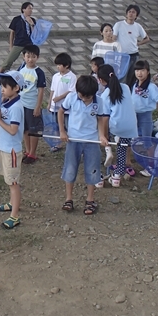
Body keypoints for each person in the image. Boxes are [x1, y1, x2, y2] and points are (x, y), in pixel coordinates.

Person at [58, 75, 105, 215]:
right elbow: (61, 112)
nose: (84, 99)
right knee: (70, 169)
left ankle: (90, 200)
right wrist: (62, 130)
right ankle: (69, 199)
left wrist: (102, 135)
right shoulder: (72, 97)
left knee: (92, 169)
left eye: (88, 97)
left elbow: (101, 118)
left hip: (91, 141)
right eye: (82, 96)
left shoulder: (99, 101)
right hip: (73, 140)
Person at [0, 71, 25, 229]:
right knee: (8, 179)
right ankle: (12, 203)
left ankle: (15, 216)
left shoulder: (17, 107)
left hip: (11, 150)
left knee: (13, 182)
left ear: (16, 88)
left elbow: (13, 130)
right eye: (1, 86)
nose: (2, 89)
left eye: (5, 86)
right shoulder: (7, 103)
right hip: (4, 148)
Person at [98, 64, 138, 187]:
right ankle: (117, 177)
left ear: (101, 80)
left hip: (116, 126)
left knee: (101, 132)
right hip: (131, 125)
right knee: (122, 149)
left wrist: (104, 136)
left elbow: (105, 118)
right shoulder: (125, 87)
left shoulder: (104, 95)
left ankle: (108, 150)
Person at [131, 59, 158, 140]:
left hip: (145, 116)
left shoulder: (151, 87)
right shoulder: (135, 85)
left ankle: (149, 152)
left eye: (142, 70)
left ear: (148, 72)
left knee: (146, 141)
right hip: (133, 115)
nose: (139, 73)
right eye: (137, 70)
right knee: (134, 140)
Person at [19, 45, 46, 164]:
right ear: (24, 57)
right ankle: (28, 150)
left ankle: (33, 153)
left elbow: (41, 90)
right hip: (21, 104)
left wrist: (38, 106)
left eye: (33, 57)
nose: (30, 59)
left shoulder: (39, 72)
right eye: (28, 56)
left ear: (37, 57)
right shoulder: (21, 68)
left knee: (33, 129)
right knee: (25, 129)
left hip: (32, 105)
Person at [112, 4, 150, 84]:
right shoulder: (119, 24)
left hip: (133, 55)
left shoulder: (138, 26)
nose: (131, 14)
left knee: (132, 77)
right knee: (121, 77)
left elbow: (146, 38)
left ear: (136, 15)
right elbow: (113, 38)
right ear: (126, 13)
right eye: (129, 12)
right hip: (122, 55)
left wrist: (138, 43)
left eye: (133, 12)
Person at [48, 53, 77, 153]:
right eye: (57, 65)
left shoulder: (72, 77)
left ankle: (72, 143)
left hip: (66, 107)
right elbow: (52, 90)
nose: (58, 67)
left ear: (67, 65)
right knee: (56, 124)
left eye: (60, 65)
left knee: (68, 125)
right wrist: (49, 102)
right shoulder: (55, 76)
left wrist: (59, 97)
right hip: (54, 105)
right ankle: (58, 143)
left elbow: (71, 91)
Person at [0, 2, 36, 72]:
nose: (31, 10)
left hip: (29, 43)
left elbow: (34, 34)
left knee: (29, 61)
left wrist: (32, 24)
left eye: (32, 9)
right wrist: (11, 45)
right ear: (23, 9)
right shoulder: (16, 19)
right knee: (8, 60)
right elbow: (12, 33)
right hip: (18, 43)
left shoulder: (33, 20)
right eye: (29, 8)